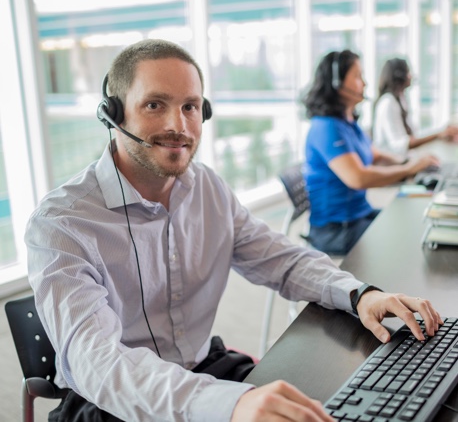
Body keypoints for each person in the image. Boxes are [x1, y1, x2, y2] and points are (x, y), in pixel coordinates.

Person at [25, 39, 443, 422]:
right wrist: (230, 403)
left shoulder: (205, 186)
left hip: (203, 367)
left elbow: (281, 259)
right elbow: (96, 364)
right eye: (155, 105)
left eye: (190, 106)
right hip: (109, 401)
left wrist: (359, 293)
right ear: (112, 113)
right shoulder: (62, 224)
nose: (179, 125)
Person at [301, 50, 440, 256]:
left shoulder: (347, 123)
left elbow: (374, 155)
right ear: (338, 83)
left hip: (360, 215)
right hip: (338, 229)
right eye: (358, 77)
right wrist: (409, 168)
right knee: (412, 241)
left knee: (419, 223)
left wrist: (407, 163)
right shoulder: (326, 127)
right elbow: (358, 178)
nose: (365, 84)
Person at [373, 57, 458, 156]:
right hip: (392, 166)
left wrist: (441, 133)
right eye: (408, 72)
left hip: (404, 163)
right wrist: (437, 134)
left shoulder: (399, 100)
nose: (411, 76)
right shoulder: (388, 102)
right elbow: (399, 146)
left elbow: (413, 136)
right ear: (400, 76)